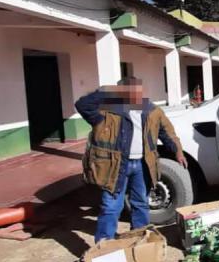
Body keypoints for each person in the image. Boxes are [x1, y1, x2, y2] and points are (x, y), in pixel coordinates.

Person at [75, 77, 187, 242]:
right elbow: (82, 105)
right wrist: (107, 92)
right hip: (115, 166)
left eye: (138, 91)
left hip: (142, 165)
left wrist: (178, 151)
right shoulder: (106, 112)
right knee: (111, 206)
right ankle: (105, 244)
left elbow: (167, 132)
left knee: (141, 203)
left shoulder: (152, 111)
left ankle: (140, 237)